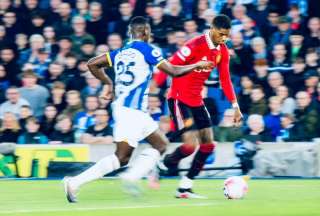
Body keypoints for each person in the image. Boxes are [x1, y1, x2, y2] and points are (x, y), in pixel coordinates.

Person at [63, 16, 213, 203]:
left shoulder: (119, 52)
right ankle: (78, 182)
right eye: (149, 31)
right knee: (122, 158)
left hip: (128, 110)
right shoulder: (147, 50)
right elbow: (174, 71)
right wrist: (197, 64)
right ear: (145, 32)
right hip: (131, 111)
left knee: (160, 144)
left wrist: (108, 83)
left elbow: (92, 63)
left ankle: (131, 176)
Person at [159, 14, 242, 199]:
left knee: (208, 145)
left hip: (197, 100)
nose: (224, 39)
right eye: (221, 34)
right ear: (212, 28)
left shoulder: (222, 51)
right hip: (179, 99)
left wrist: (235, 105)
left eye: (227, 35)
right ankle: (162, 165)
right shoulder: (194, 45)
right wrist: (155, 88)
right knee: (189, 146)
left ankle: (185, 188)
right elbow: (169, 65)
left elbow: (225, 79)